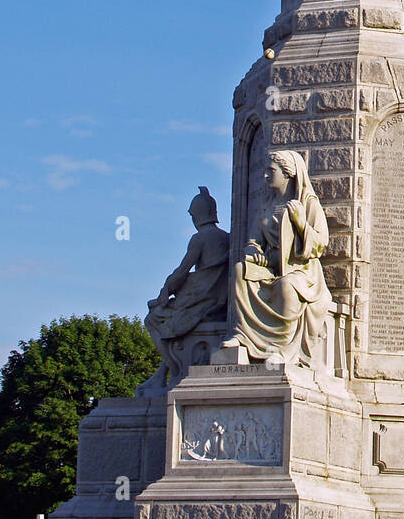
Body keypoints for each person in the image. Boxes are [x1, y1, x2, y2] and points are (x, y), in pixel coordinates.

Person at [221, 150, 332, 368]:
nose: (264, 175)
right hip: (271, 266)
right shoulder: (266, 205)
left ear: (288, 174)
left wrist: (300, 223)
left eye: (271, 170)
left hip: (301, 269)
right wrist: (254, 252)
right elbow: (253, 240)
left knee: (288, 286)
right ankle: (243, 336)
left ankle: (282, 349)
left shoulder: (307, 203)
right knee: (239, 271)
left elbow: (320, 243)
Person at [137, 186, 230, 394]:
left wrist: (165, 292)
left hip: (202, 302)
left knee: (153, 318)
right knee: (166, 317)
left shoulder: (200, 238)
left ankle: (175, 371)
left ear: (197, 214)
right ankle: (161, 374)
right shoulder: (227, 237)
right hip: (219, 301)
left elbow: (182, 272)